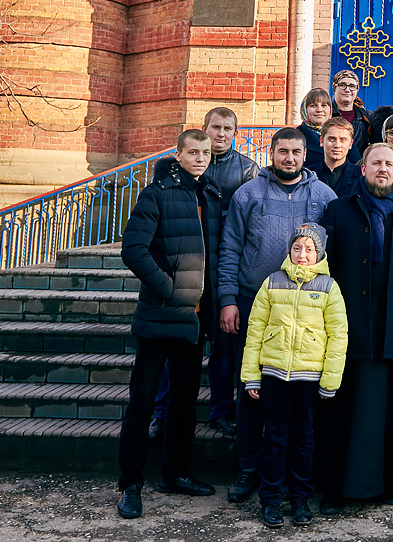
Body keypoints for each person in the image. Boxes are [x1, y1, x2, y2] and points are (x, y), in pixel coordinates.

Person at [219, 128, 338, 504]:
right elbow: (230, 246)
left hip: (308, 319)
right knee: (253, 395)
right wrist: (227, 298)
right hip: (258, 306)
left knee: (301, 409)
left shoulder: (324, 196)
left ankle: (295, 477)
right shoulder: (248, 193)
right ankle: (249, 468)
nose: (289, 158)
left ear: (306, 154)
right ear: (272, 153)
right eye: (283, 151)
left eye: (296, 152)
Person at [317, 143, 393, 511]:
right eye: (376, 163)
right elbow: (327, 270)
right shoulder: (338, 211)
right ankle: (341, 488)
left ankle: (387, 483)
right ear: (363, 169)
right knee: (347, 410)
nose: (382, 169)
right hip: (351, 325)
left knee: (389, 410)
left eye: (389, 163)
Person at [116, 129, 221, 518]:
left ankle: (174, 472)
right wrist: (169, 287)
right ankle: (130, 485)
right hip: (160, 317)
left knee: (183, 404)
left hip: (193, 323)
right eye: (192, 152)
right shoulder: (156, 193)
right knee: (142, 404)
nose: (200, 158)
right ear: (178, 154)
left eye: (205, 152)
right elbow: (134, 249)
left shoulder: (209, 194)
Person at [148, 107, 259, 440]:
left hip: (224, 268)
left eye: (227, 129)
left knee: (224, 346)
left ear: (235, 133)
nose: (221, 134)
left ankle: (221, 410)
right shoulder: (181, 170)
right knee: (177, 343)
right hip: (189, 267)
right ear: (204, 129)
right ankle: (162, 410)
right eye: (215, 127)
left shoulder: (247, 169)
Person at [241, 224, 349, 528]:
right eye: (297, 248)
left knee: (303, 439)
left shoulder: (329, 288)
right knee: (274, 438)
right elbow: (255, 331)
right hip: (274, 375)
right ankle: (271, 499)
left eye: (309, 249)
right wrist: (251, 375)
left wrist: (329, 381)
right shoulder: (272, 283)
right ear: (289, 250)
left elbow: (338, 337)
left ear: (319, 253)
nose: (302, 255)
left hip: (308, 379)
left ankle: (300, 497)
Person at [330, 70, 371, 162]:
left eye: (352, 86)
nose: (347, 90)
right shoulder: (326, 115)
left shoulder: (365, 118)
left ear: (357, 90)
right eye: (342, 85)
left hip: (357, 169)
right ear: (334, 88)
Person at [313, 118, 359, 200]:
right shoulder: (309, 175)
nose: (337, 145)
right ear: (321, 141)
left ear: (350, 144)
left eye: (343, 140)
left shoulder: (361, 177)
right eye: (332, 139)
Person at [298, 89, 332, 170]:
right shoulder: (296, 136)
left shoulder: (340, 133)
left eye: (324, 105)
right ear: (305, 109)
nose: (319, 110)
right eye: (313, 105)